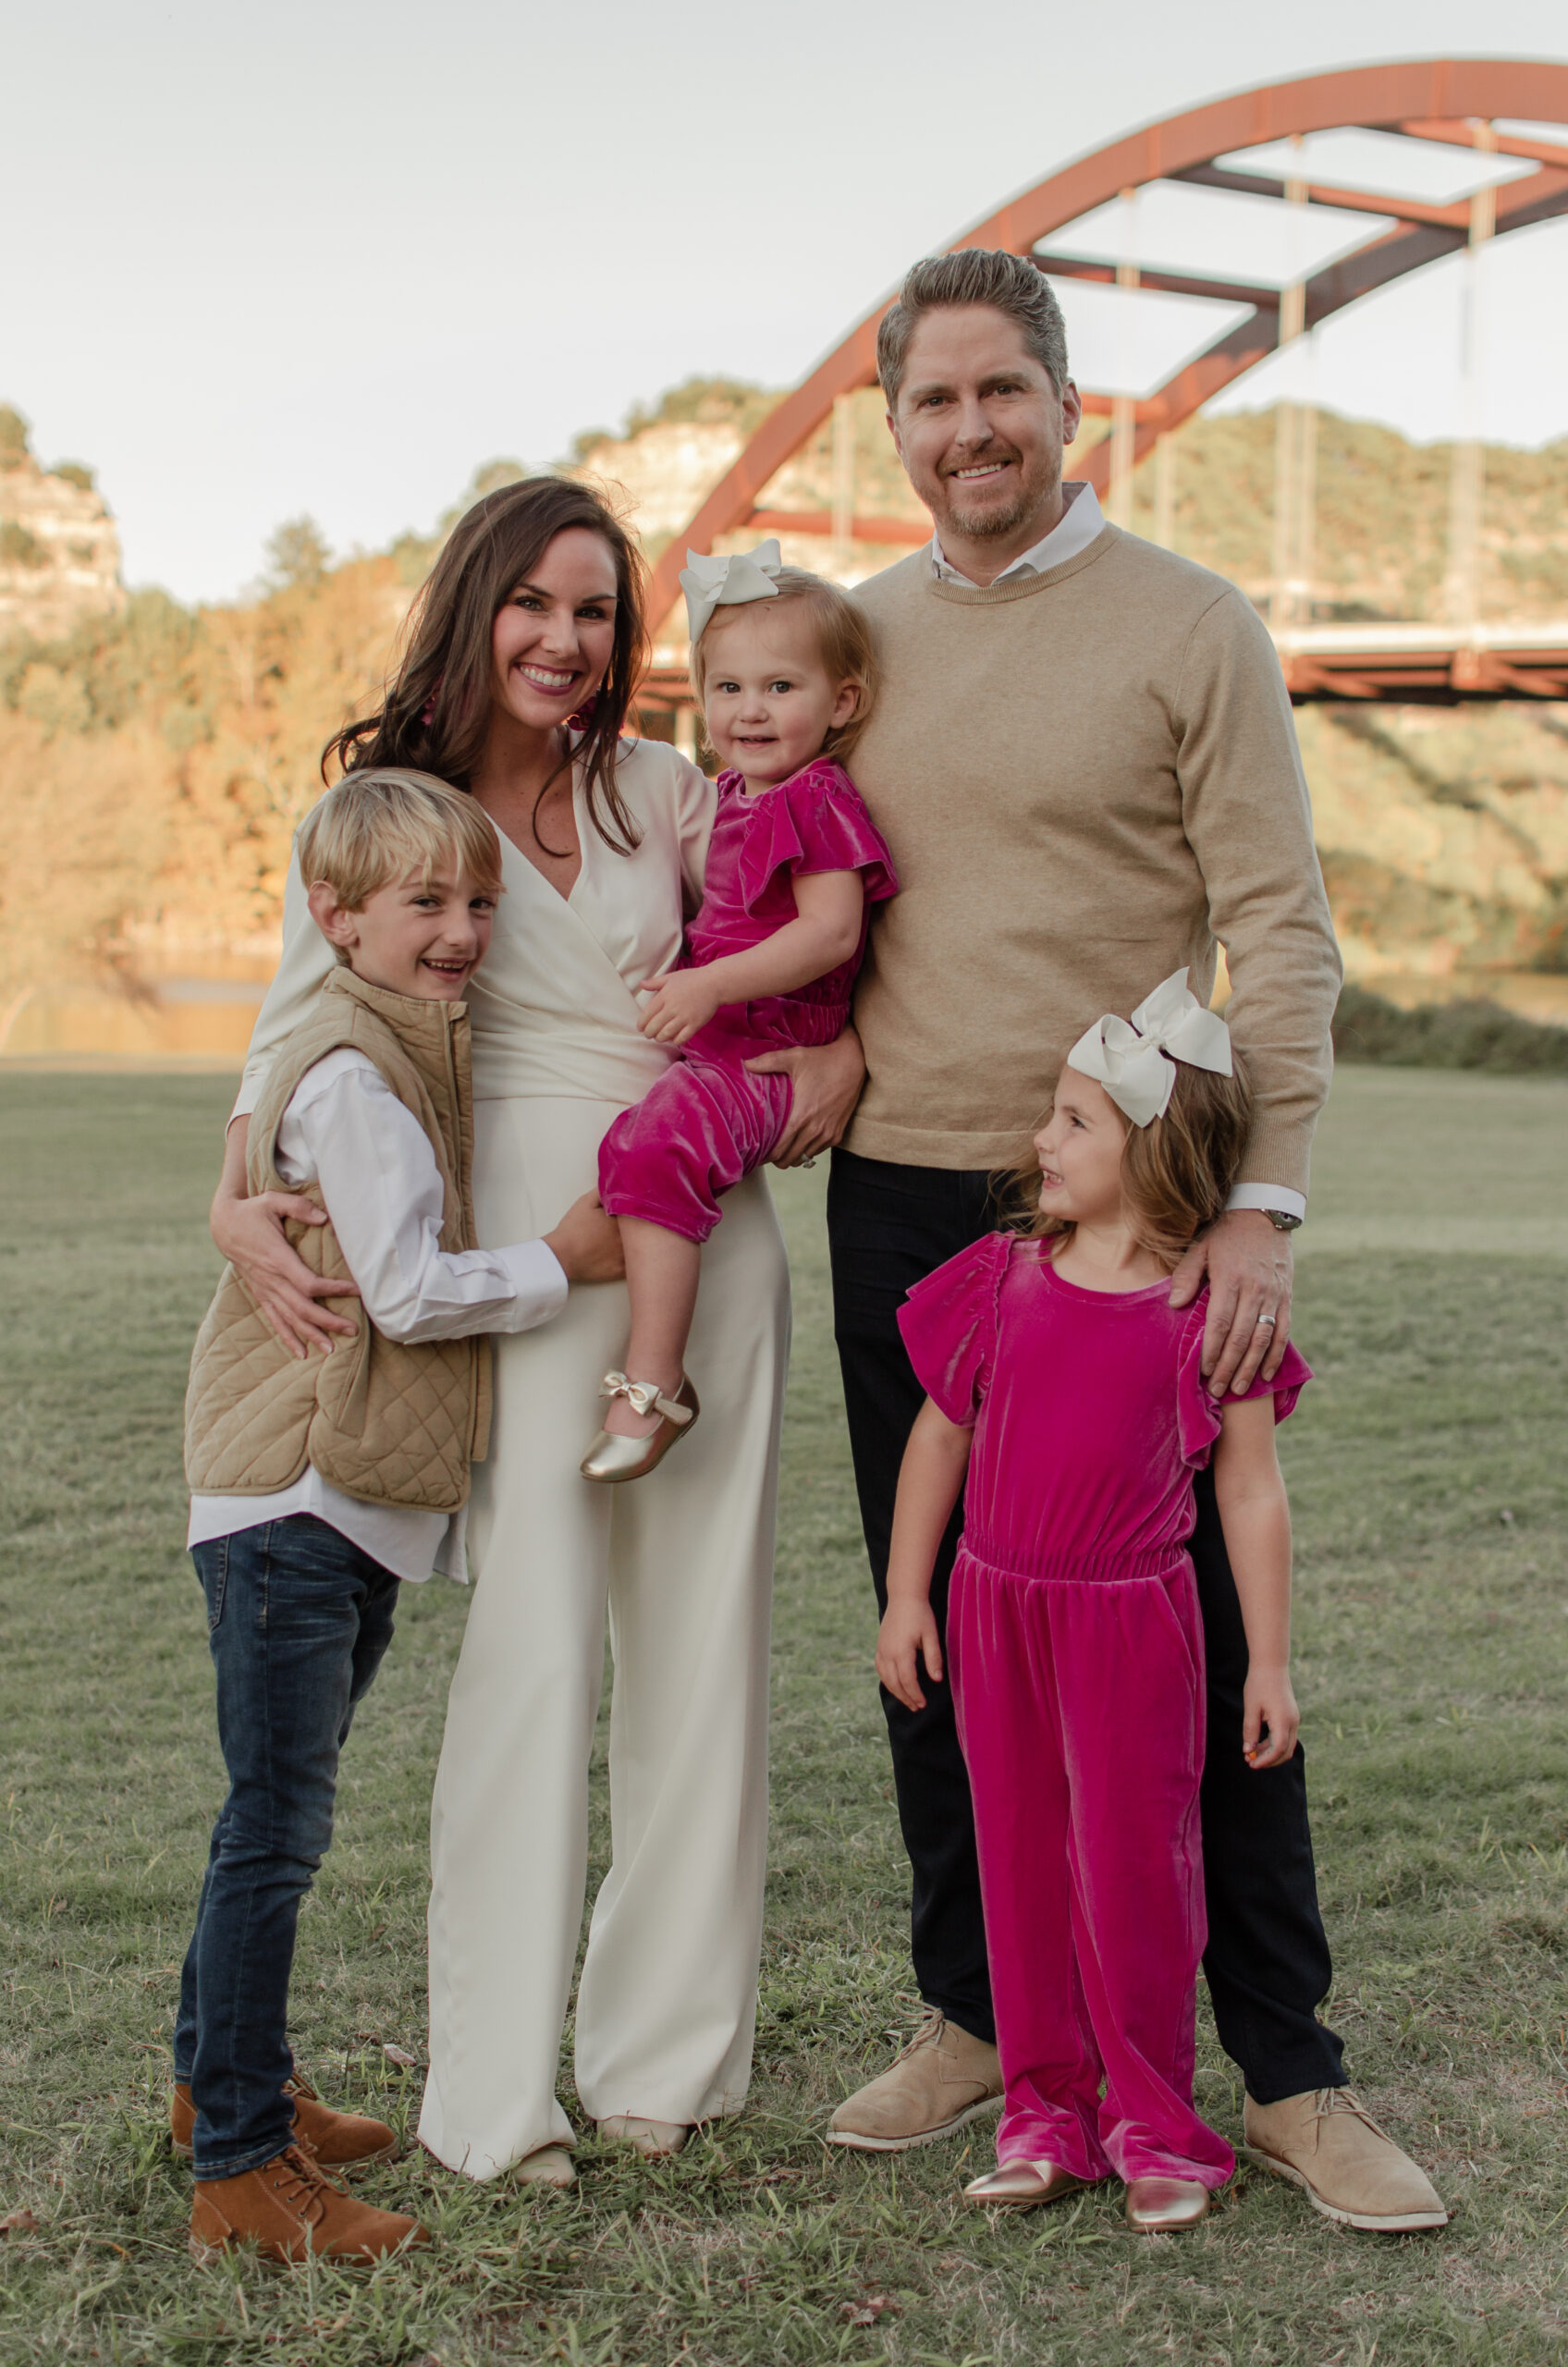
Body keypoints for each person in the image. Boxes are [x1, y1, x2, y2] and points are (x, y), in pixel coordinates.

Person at [826, 247, 1447, 2232]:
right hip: (913, 1200)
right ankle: (981, 2014)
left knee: (1176, 1655)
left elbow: (1280, 929)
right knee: (940, 1631)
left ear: (1065, 400)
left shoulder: (1192, 626)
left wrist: (1252, 1205)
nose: (966, 432)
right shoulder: (851, 639)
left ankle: (1283, 2065)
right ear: (895, 422)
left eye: (999, 391)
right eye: (930, 401)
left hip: (1133, 1221)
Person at [213, 478, 858, 2188]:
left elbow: (817, 942)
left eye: (596, 612)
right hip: (521, 1251)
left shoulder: (671, 789)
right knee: (534, 1649)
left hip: (709, 1232)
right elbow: (289, 1036)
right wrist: (229, 1194)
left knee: (702, 1648)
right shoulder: (384, 813)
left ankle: (666, 2060)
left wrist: (841, 1063)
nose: (566, 642)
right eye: (536, 605)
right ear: (476, 603)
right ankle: (491, 2099)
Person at [178, 769, 619, 2262]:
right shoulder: (356, 1078)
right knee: (276, 1832)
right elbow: (416, 1291)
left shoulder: (399, 1042)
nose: (461, 930)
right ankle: (239, 2165)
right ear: (338, 917)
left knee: (272, 1820)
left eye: (479, 901)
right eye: (425, 903)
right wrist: (562, 1259)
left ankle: (214, 2088)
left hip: (331, 1500)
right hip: (296, 1495)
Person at [877, 973, 1312, 2233]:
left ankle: (1157, 2127)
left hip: (1134, 1630)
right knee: (1017, 1868)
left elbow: (1251, 1499)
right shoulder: (998, 1279)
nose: (1040, 1142)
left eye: (1074, 1121)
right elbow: (937, 1440)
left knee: (1136, 1874)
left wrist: (1270, 1666)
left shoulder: (1203, 1317)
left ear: (1154, 1150)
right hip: (993, 1614)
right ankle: (1043, 2117)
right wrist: (909, 1592)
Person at [587, 546, 896, 1481]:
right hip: (714, 1047)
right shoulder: (722, 792)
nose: (747, 710)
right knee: (633, 1144)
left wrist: (710, 985)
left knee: (656, 1142)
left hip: (769, 1055)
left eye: (778, 685)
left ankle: (652, 1382)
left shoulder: (816, 799)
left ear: (840, 703)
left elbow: (833, 932)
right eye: (726, 686)